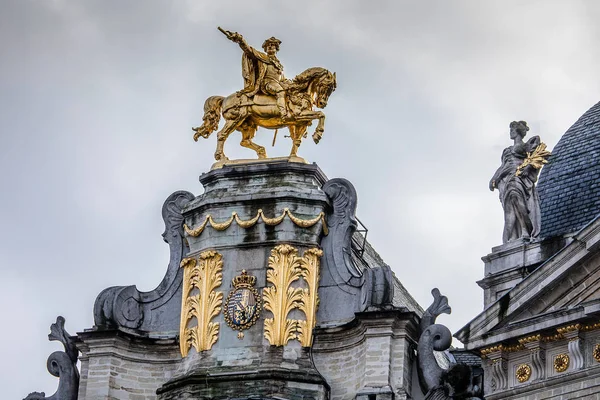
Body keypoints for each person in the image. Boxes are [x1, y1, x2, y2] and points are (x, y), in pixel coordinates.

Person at [489, 121, 542, 243]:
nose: (510, 133)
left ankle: (525, 229)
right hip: (505, 178)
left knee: (517, 198)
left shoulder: (525, 146)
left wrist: (528, 168)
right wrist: (494, 178)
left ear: (518, 132)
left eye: (512, 130)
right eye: (510, 130)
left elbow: (537, 154)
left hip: (518, 176)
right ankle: (513, 235)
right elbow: (503, 166)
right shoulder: (506, 150)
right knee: (509, 205)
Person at [220, 29, 290, 120]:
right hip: (267, 83)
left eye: (272, 45)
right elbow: (249, 50)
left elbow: (282, 79)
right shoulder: (262, 57)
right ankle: (283, 113)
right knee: (281, 92)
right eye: (268, 45)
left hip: (277, 83)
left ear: (276, 48)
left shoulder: (279, 64)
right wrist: (240, 40)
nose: (270, 46)